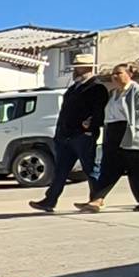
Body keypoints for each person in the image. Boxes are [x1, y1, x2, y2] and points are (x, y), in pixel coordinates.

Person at [29, 55, 108, 212]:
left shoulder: (97, 88)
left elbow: (99, 112)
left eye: (78, 68)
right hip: (65, 136)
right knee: (60, 170)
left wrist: (89, 129)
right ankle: (50, 200)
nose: (75, 71)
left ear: (88, 68)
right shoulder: (73, 89)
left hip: (82, 136)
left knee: (90, 168)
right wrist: (59, 134)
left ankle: (97, 199)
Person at [75, 64, 139, 212]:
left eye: (118, 73)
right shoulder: (113, 93)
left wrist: (131, 135)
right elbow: (106, 113)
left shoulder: (137, 91)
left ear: (129, 74)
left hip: (131, 134)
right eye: (113, 74)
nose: (115, 77)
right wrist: (93, 121)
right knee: (109, 168)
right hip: (113, 132)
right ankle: (97, 200)